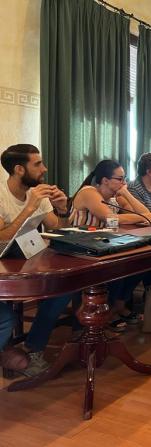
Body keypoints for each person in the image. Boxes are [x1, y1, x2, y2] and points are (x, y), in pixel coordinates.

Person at [69, 160, 151, 331]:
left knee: (141, 263)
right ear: (105, 180)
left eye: (125, 179)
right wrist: (149, 217)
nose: (124, 183)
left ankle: (116, 307)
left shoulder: (115, 197)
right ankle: (104, 314)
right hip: (79, 250)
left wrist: (127, 194)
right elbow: (110, 218)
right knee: (119, 268)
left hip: (104, 247)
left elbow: (145, 214)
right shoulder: (89, 192)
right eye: (120, 179)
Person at [0, 144, 72, 376]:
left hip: (30, 257)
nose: (45, 168)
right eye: (38, 164)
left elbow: (57, 228)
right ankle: (10, 352)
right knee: (7, 317)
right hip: (4, 265)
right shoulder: (2, 195)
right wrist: (29, 208)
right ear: (20, 169)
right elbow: (2, 238)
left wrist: (62, 210)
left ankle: (34, 347)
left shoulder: (38, 193)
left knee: (64, 288)